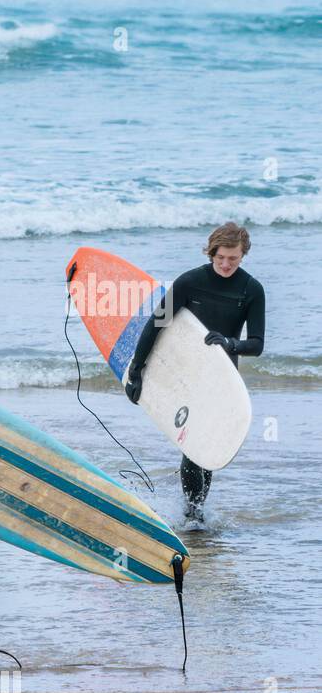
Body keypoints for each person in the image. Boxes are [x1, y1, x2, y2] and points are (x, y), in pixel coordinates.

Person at [124, 222, 265, 524]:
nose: (226, 264)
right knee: (192, 444)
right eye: (221, 258)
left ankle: (195, 512)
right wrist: (137, 369)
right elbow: (157, 324)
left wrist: (230, 343)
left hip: (221, 377)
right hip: (184, 373)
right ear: (211, 252)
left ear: (243, 255)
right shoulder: (190, 282)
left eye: (234, 259)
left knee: (206, 444)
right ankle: (194, 512)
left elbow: (256, 344)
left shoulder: (251, 290)